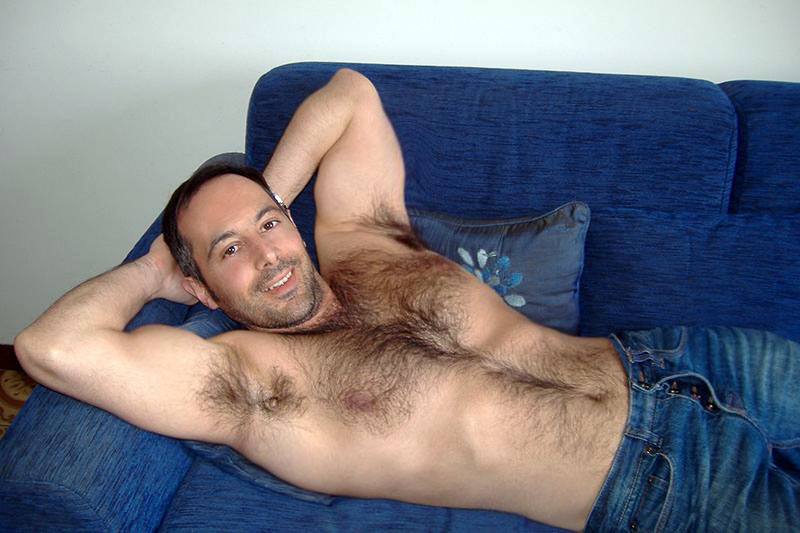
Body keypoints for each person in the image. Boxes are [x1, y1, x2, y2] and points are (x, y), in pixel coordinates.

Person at [15, 69, 799, 532]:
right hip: (663, 484)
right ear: (201, 287)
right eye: (230, 251)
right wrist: (153, 270)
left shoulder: (362, 242)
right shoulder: (247, 382)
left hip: (689, 358)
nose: (269, 254)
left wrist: (261, 200)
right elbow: (51, 347)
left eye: (270, 226)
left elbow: (350, 94)